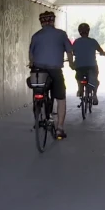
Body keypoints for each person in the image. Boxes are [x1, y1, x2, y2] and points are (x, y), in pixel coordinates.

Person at [28, 11, 74, 139]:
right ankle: (59, 128)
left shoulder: (36, 36)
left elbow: (31, 55)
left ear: (41, 22)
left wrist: (31, 63)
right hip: (55, 70)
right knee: (61, 98)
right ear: (53, 21)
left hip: (38, 70)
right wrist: (71, 64)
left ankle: (38, 116)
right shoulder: (61, 34)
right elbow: (69, 52)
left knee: (38, 91)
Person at [72, 23, 105, 105]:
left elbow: (73, 52)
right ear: (88, 31)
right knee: (95, 81)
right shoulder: (93, 41)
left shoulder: (76, 42)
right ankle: (94, 95)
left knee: (78, 77)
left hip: (79, 66)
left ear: (79, 32)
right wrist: (102, 53)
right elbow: (101, 51)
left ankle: (80, 89)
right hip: (91, 66)